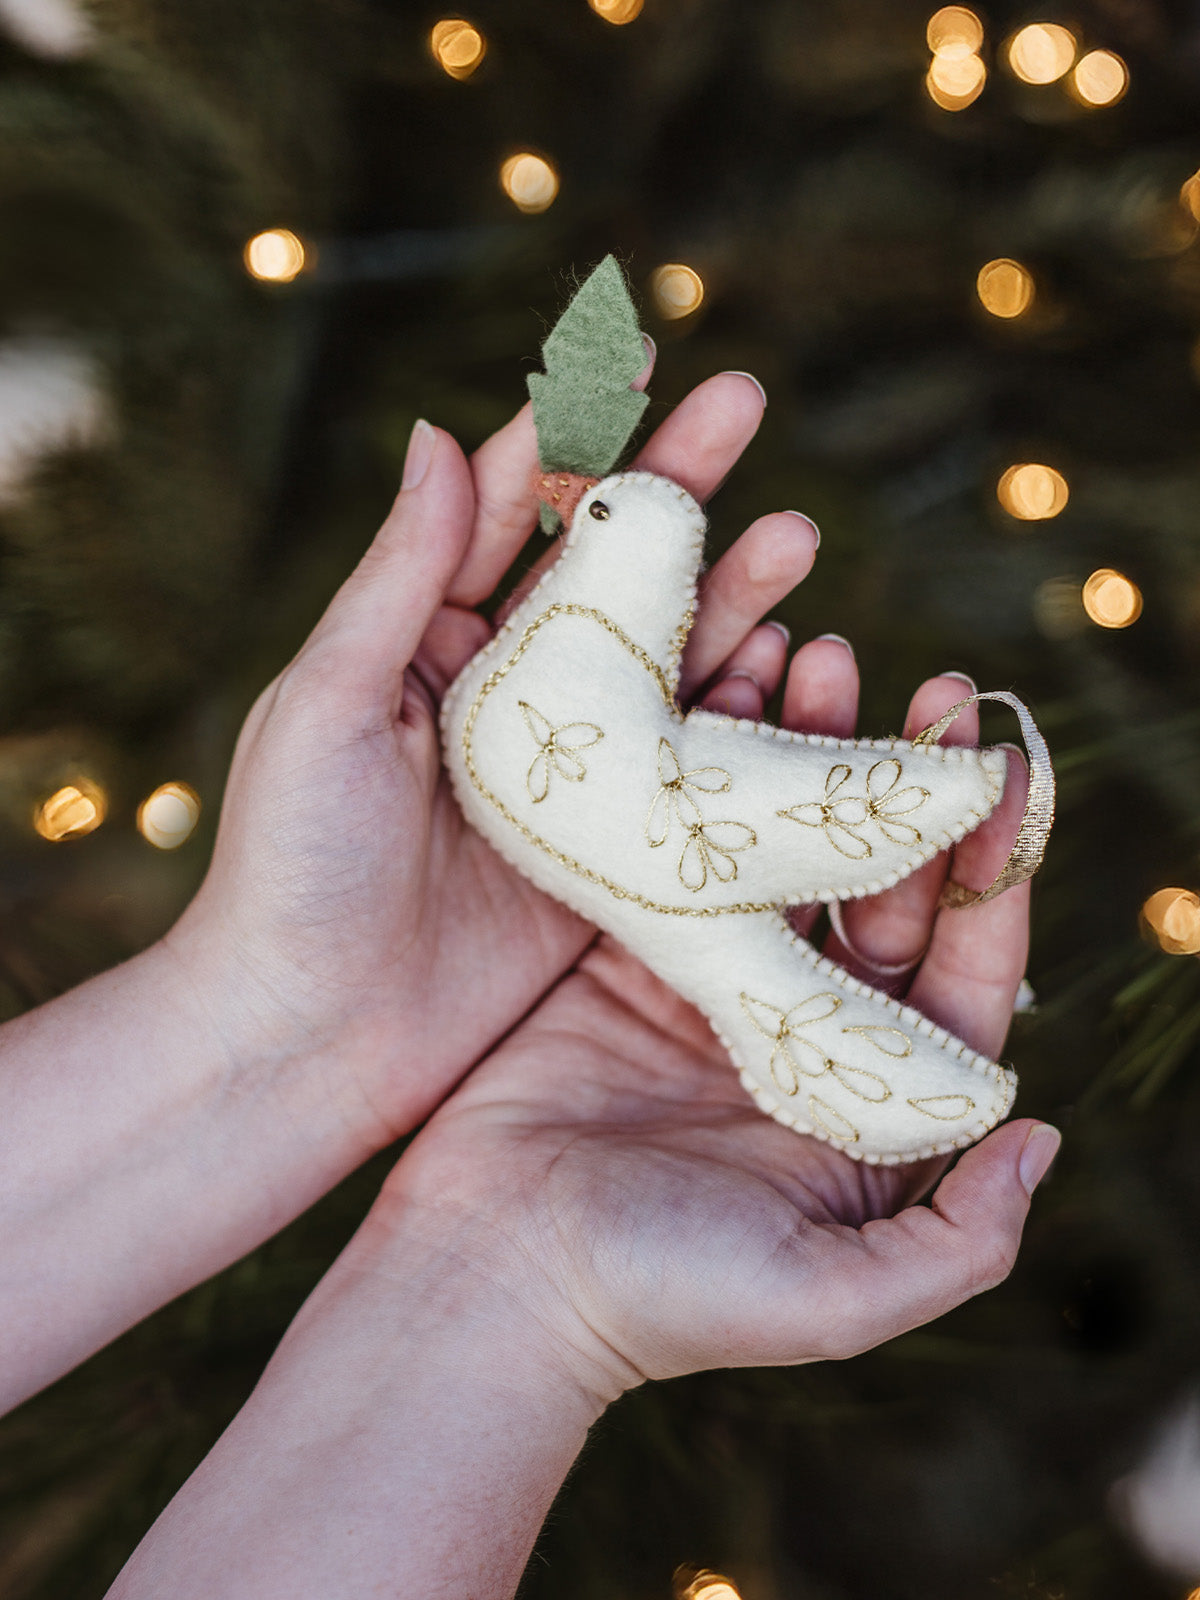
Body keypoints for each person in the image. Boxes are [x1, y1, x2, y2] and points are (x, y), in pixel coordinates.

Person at [0, 372, 1059, 1597]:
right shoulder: (545, 691)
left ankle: (848, 951)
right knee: (788, 859)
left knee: (787, 865)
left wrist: (267, 1021)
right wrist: (515, 1301)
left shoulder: (517, 703)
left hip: (655, 901)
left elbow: (759, 805)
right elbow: (765, 806)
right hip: (680, 906)